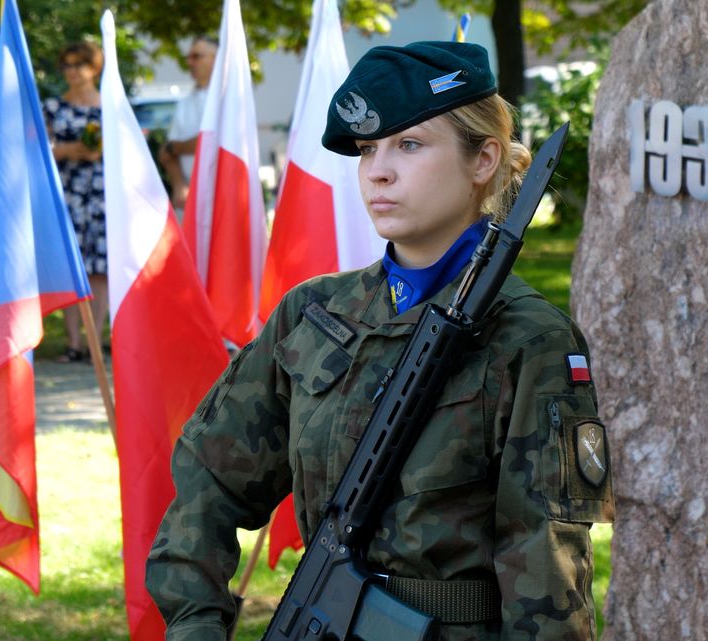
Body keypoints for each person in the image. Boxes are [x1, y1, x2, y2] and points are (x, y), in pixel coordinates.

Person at [146, 41, 615, 641]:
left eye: (410, 145)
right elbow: (209, 480)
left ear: (483, 160)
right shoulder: (313, 315)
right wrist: (196, 628)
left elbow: (548, 574)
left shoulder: (530, 340)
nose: (378, 171)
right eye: (369, 150)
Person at [43, 41, 108, 362]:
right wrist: (69, 151)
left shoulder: (110, 104)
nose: (72, 71)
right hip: (66, 194)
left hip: (101, 195)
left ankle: (95, 338)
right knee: (70, 267)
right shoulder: (53, 107)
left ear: (93, 67)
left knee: (99, 268)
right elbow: (38, 151)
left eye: (79, 64)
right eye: (67, 65)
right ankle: (73, 343)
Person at [159, 35, 217, 213]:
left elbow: (212, 142)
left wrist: (177, 147)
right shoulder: (185, 102)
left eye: (197, 56)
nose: (190, 62)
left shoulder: (230, 99)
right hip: (193, 198)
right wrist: (179, 186)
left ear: (217, 58)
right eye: (188, 57)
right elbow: (166, 152)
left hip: (222, 195)